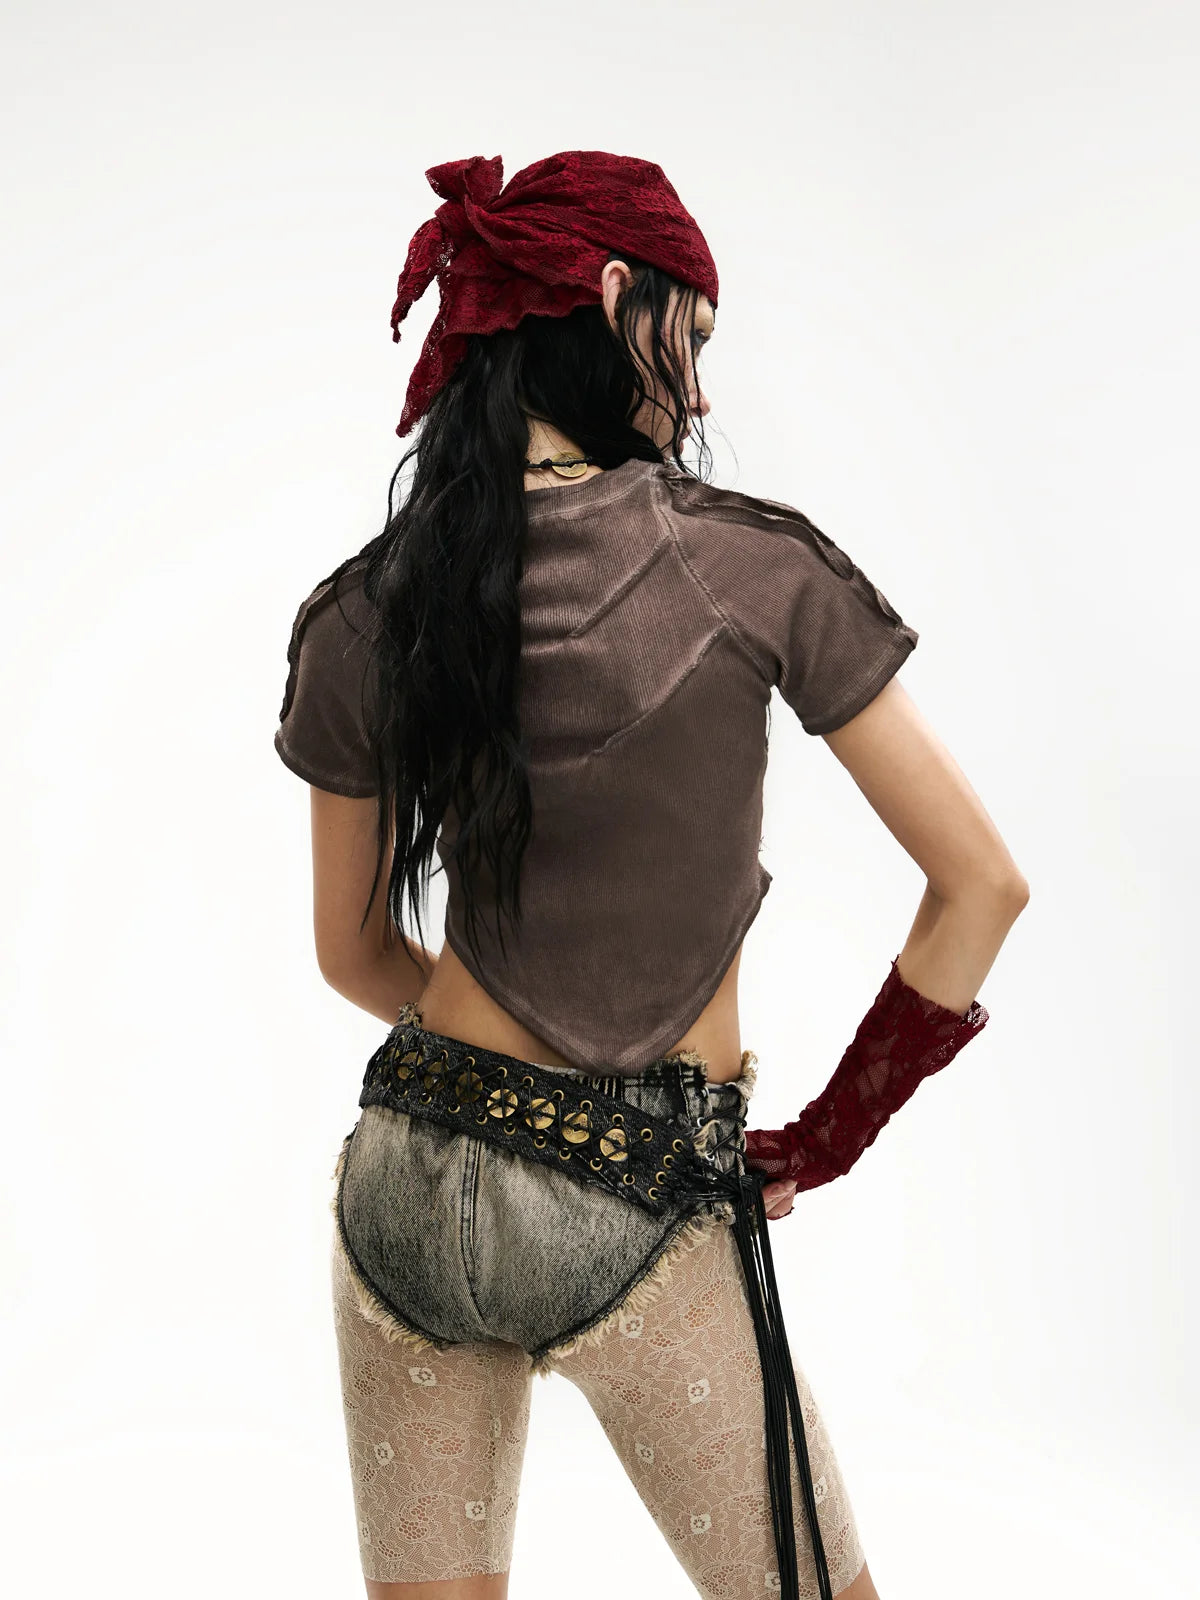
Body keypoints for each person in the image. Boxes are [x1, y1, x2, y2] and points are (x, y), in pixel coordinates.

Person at [273, 150, 1030, 1600]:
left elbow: (351, 954)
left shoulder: (368, 608)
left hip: (405, 1185)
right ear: (620, 295)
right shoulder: (750, 569)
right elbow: (981, 884)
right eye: (696, 331)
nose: (696, 383)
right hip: (641, 1184)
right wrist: (822, 1138)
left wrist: (497, 1073)